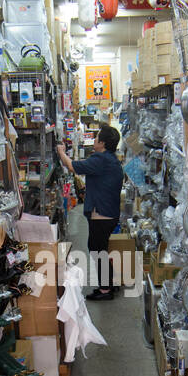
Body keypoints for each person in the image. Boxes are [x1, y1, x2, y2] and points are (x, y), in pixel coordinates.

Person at [57, 125, 123, 301]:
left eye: (96, 138)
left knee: (96, 249)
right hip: (109, 212)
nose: (93, 141)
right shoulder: (111, 160)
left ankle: (105, 290)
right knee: (100, 248)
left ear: (102, 143)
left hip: (102, 214)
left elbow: (71, 166)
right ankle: (110, 282)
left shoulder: (100, 160)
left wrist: (61, 152)